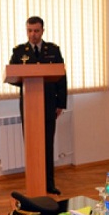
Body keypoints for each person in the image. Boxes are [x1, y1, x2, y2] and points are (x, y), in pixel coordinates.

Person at [9, 16, 67, 195]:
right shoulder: (19, 52)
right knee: (32, 147)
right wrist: (28, 81)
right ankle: (34, 184)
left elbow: (62, 78)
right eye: (29, 31)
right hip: (29, 105)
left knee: (47, 146)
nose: (33, 34)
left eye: (36, 30)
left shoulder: (53, 50)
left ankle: (49, 184)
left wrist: (61, 104)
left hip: (49, 104)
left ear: (42, 31)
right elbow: (12, 76)